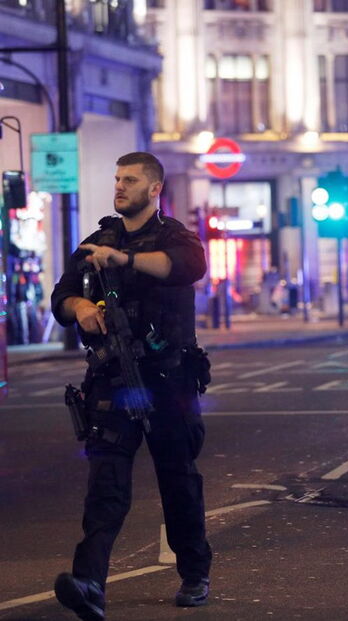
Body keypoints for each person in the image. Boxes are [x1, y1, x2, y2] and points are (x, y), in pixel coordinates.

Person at [50, 152, 212, 621]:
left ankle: (195, 572)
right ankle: (89, 585)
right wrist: (80, 306)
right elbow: (61, 296)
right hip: (114, 380)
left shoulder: (175, 237)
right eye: (117, 178)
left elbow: (188, 266)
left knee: (178, 480)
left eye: (131, 180)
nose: (119, 186)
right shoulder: (96, 240)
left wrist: (124, 260)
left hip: (168, 379)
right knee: (106, 485)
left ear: (155, 189)